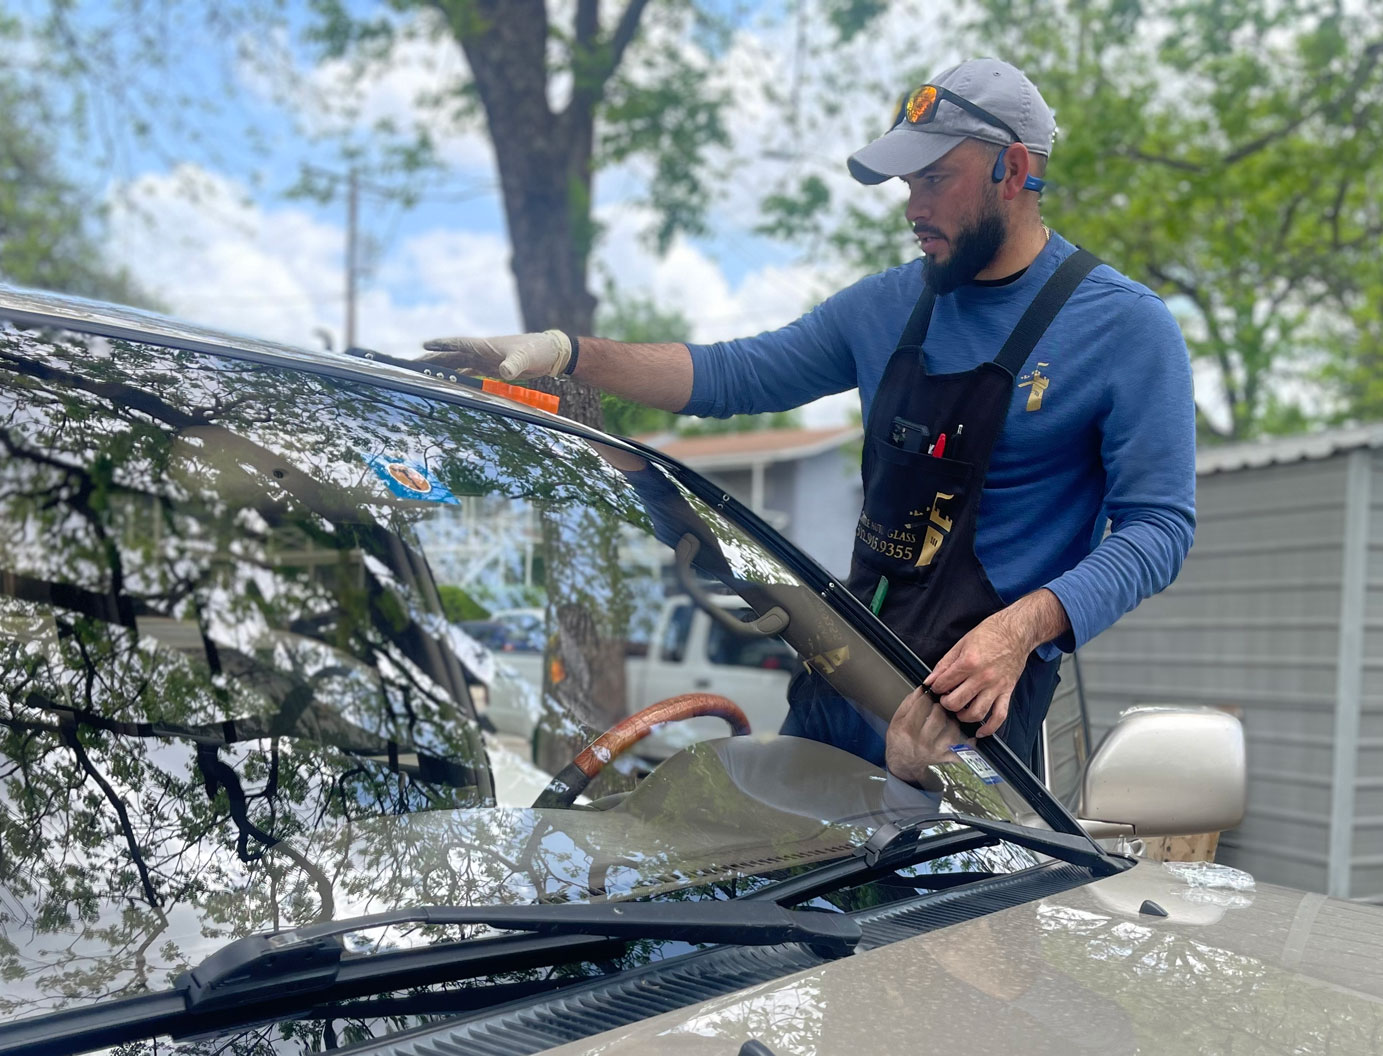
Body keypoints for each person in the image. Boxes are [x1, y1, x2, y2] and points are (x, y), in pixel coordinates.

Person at [425, 57, 1196, 777]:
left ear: (1014, 169)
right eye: (906, 185)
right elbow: (734, 373)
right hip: (838, 690)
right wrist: (562, 352)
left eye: (935, 179)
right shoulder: (889, 305)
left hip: (970, 726)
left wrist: (1020, 631)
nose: (913, 209)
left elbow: (1159, 527)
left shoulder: (1124, 328)